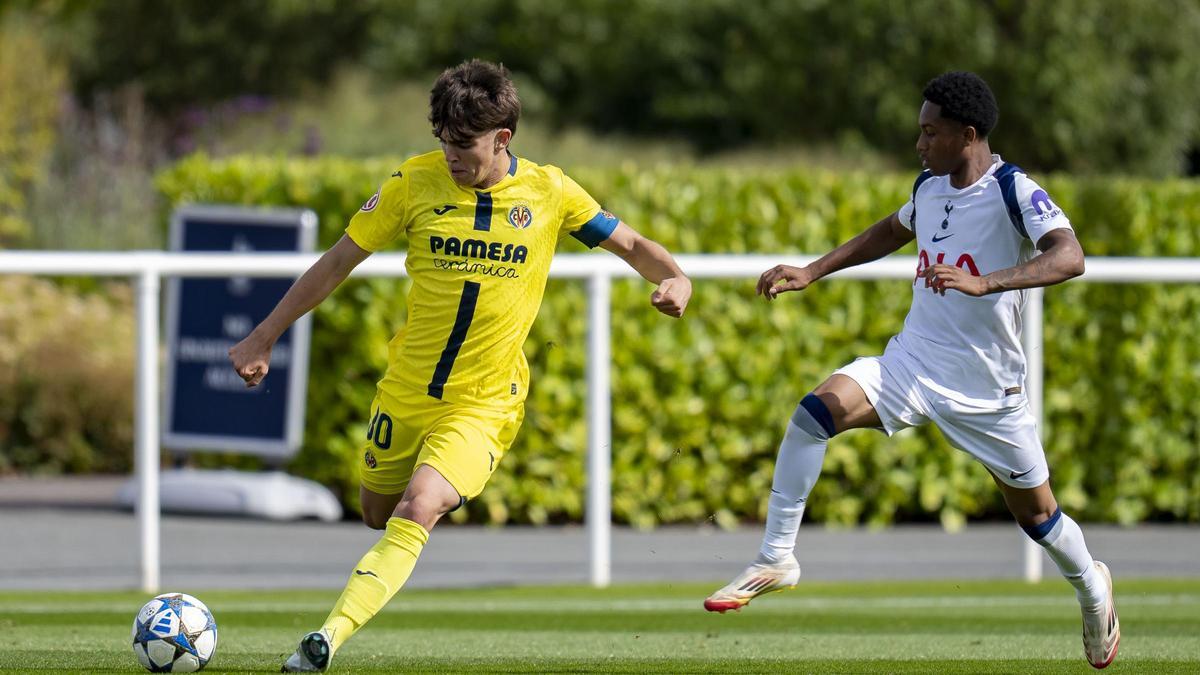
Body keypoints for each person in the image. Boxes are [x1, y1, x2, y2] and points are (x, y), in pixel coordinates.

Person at [228, 59, 692, 672]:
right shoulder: (412, 184)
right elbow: (338, 262)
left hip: (484, 400)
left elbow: (629, 243)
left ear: (503, 139)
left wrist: (675, 277)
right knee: (377, 511)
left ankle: (324, 642)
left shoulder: (550, 190)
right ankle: (421, 502)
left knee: (418, 505)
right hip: (405, 390)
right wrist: (263, 336)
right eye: (442, 141)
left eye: (463, 144)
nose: (450, 155)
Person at [703, 71, 1119, 670]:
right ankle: (777, 557)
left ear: (967, 134)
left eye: (930, 133)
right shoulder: (929, 187)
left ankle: (1092, 591)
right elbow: (890, 231)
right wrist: (813, 271)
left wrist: (986, 281)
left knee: (1040, 519)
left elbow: (1069, 255)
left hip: (987, 392)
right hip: (912, 363)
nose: (919, 144)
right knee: (815, 412)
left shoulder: (1013, 188)